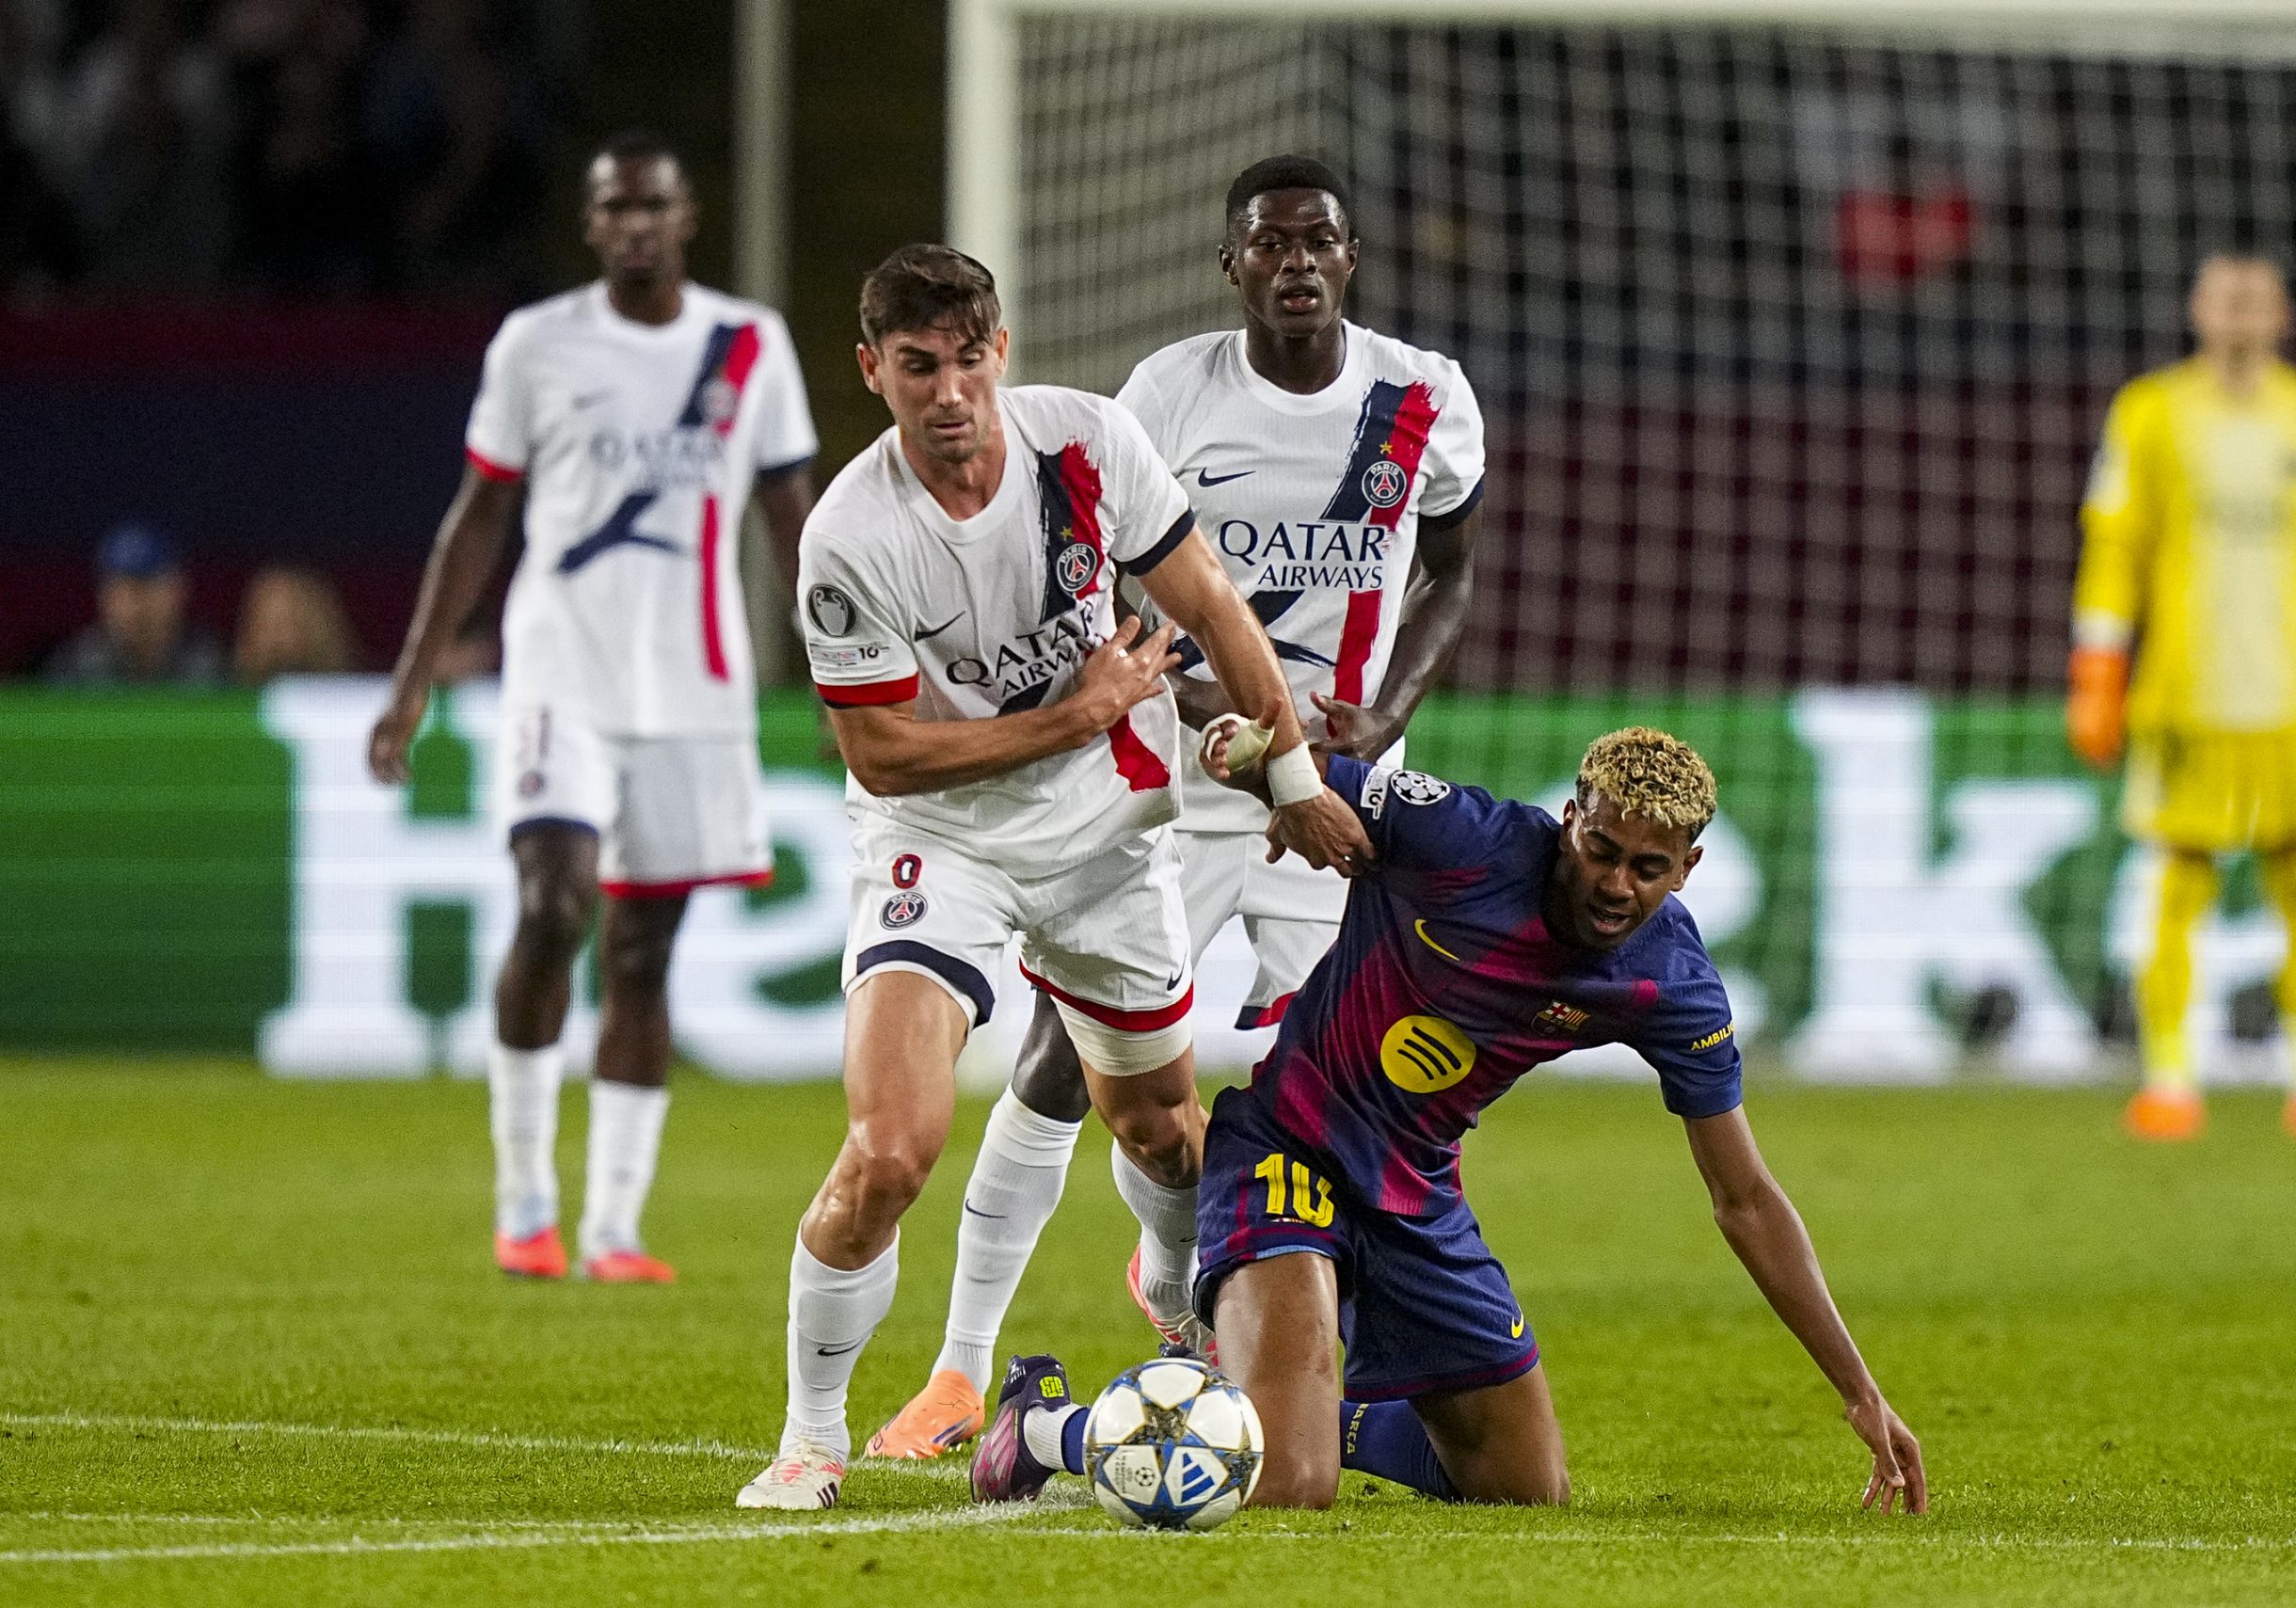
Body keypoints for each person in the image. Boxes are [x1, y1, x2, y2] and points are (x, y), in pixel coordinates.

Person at [735, 243, 1372, 1510]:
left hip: (1105, 844)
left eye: (970, 359)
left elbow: (1218, 604)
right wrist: (1078, 715)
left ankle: (1177, 1325)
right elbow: (882, 751)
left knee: (1167, 1138)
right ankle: (811, 1435)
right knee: (891, 1149)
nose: (951, 391)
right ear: (875, 373)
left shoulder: (1087, 445)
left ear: (1001, 353)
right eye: (919, 366)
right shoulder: (848, 538)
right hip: (945, 845)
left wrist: (1291, 778)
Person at [869, 153, 1486, 1459]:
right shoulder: (1165, 395)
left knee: (1332, 1083)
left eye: (1318, 238)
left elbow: (1452, 571)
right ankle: (958, 1372)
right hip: (1184, 774)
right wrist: (1225, 715)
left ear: (1352, 255)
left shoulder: (1426, 398)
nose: (1296, 260)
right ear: (1233, 265)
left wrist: (1378, 714)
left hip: (1333, 796)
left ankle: (1282, 1340)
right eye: (1270, 243)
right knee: (1059, 1054)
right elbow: (1120, 599)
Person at [970, 727, 1928, 1515]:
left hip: (1416, 1191)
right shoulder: (1462, 838)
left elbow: (1745, 1197)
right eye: (1600, 849)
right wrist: (1252, 754)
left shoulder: (1671, 984)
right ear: (1569, 822)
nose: (1614, 883)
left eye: (1647, 867)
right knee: (1288, 1481)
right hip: (1287, 1145)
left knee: (1522, 1488)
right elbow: (1289, 762)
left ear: (1687, 868)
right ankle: (1045, 1420)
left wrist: (1860, 1388)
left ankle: (1303, 1403)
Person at [367, 130, 819, 1282]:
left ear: (685, 219)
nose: (632, 225)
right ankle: (525, 1193)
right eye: (611, 208)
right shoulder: (539, 343)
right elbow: (479, 513)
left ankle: (614, 1224)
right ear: (590, 224)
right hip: (560, 667)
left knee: (642, 950)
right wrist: (414, 679)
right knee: (553, 901)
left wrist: (840, 668)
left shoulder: (748, 345)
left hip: (695, 686)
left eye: (650, 207)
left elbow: (789, 515)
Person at [2069, 254, 2296, 1144]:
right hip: (2186, 693)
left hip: (2295, 695)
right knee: (2178, 884)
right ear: (2196, 307)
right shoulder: (2148, 413)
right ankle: (2171, 1076)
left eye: (2257, 297)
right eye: (2225, 296)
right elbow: (2116, 548)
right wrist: (2097, 671)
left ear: (2283, 313)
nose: (2241, 312)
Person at [43, 522, 227, 686]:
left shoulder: (211, 663)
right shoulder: (74, 665)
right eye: (119, 590)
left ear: (178, 590)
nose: (132, 606)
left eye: (144, 588)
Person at [232, 565, 359, 681]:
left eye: (290, 622)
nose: (278, 637)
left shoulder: (361, 693)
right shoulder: (225, 690)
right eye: (267, 625)